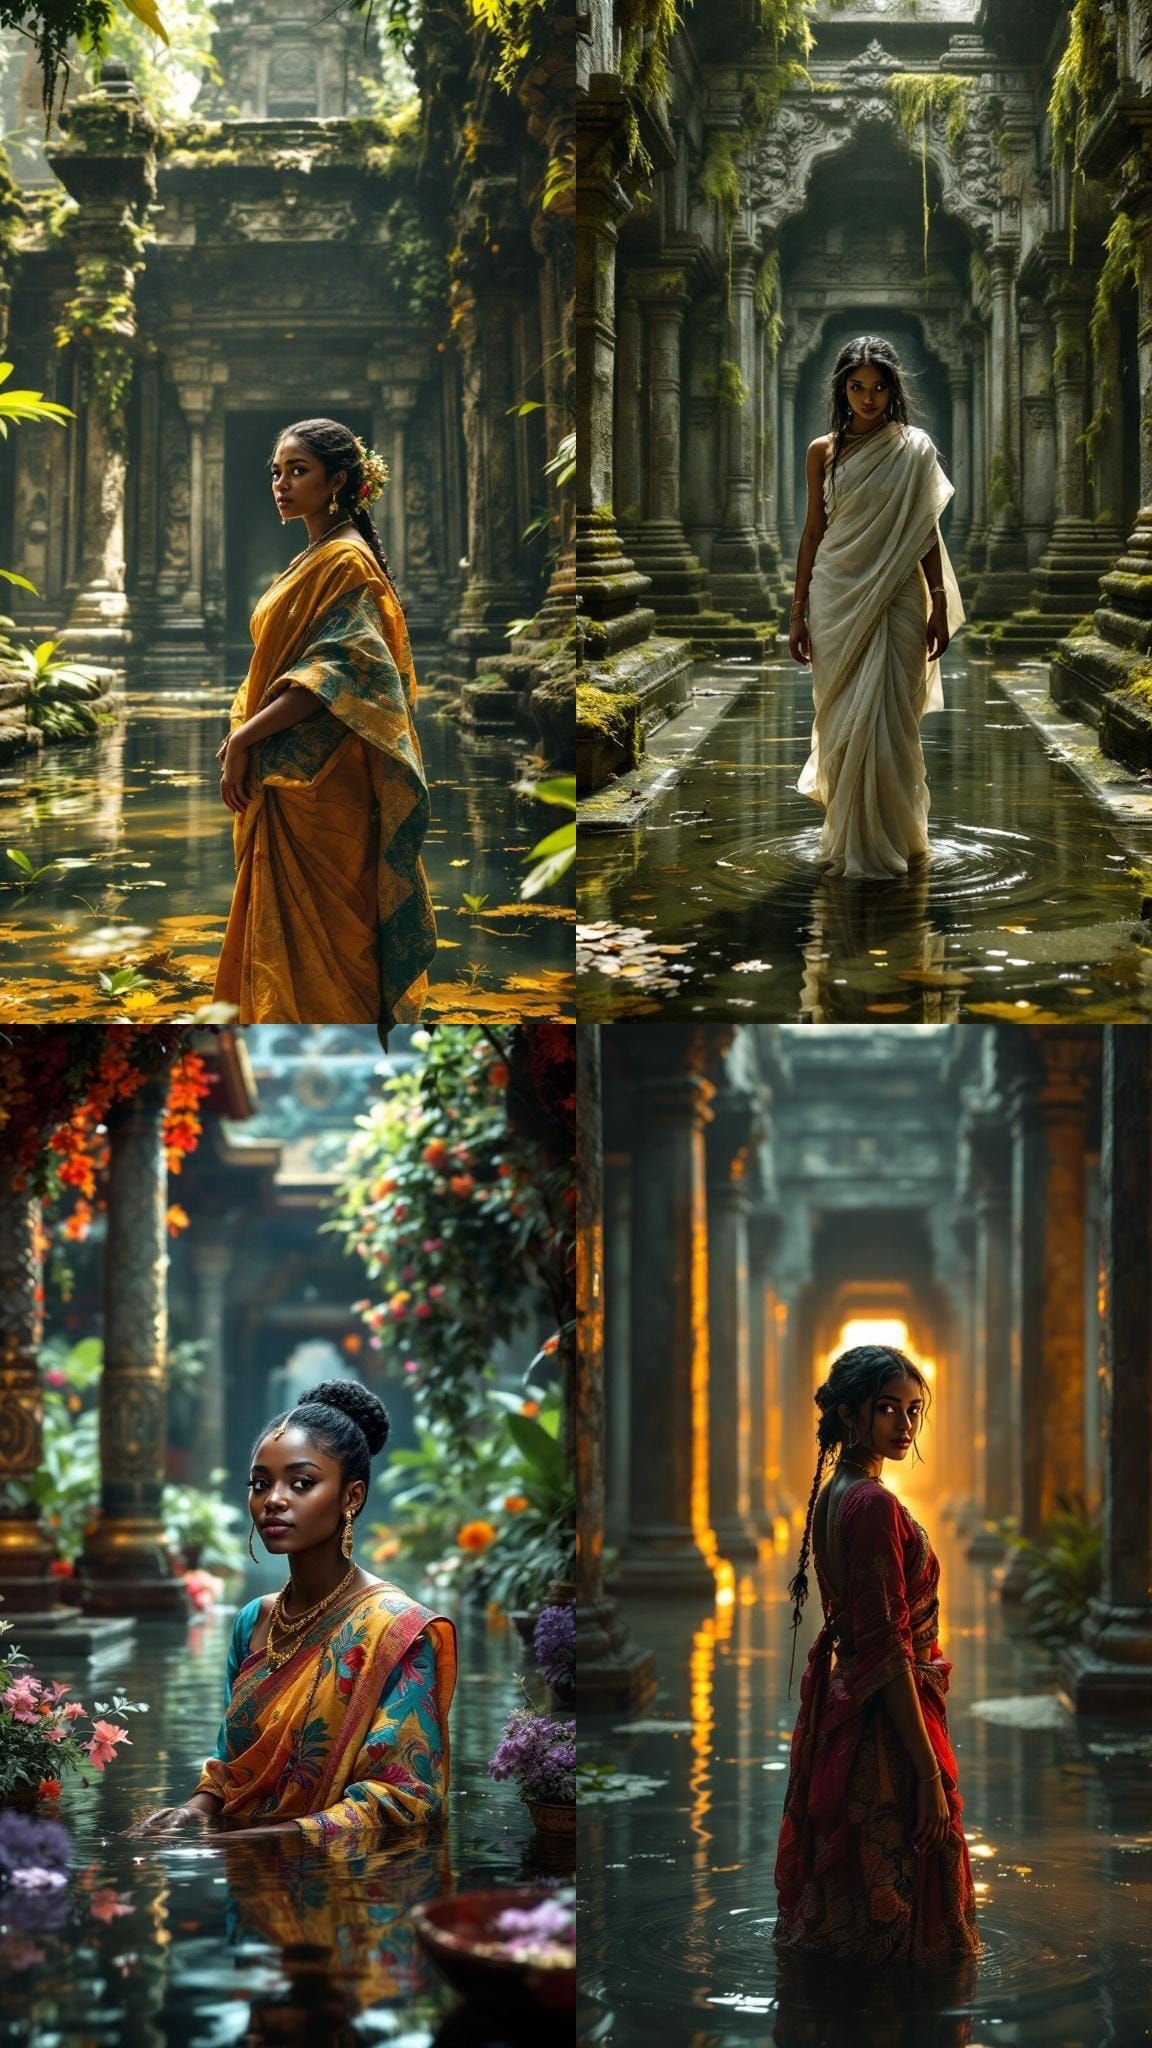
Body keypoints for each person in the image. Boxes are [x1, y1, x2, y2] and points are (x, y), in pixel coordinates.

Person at [127, 1380, 456, 1845]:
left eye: (302, 1483)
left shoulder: (397, 1630)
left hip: (349, 1889)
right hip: (248, 1891)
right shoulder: (253, 1622)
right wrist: (192, 1812)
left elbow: (403, 1800)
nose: (274, 1499)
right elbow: (231, 1766)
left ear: (352, 1497)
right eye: (261, 1484)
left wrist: (240, 1843)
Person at [212, 418, 437, 1029]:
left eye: (298, 471)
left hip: (321, 780)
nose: (281, 484)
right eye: (277, 471)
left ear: (338, 481)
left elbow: (336, 675)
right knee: (290, 933)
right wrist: (247, 736)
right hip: (289, 774)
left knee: (334, 936)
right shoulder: (318, 554)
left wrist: (244, 737)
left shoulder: (345, 561)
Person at [773, 1344, 980, 1968]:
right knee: (907, 1911)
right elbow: (888, 1648)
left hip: (857, 1711)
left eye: (913, 1410)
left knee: (859, 1906)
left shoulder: (836, 1494)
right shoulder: (872, 1504)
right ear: (846, 1414)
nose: (905, 1425)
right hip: (886, 1728)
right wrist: (924, 1775)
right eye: (887, 1409)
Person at [788, 337, 965, 880]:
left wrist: (938, 601)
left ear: (893, 388)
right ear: (842, 388)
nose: (868, 397)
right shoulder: (823, 451)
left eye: (879, 386)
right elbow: (814, 531)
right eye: (857, 386)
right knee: (843, 721)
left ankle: (897, 840)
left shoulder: (915, 448)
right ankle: (849, 837)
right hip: (837, 593)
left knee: (892, 721)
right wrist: (797, 612)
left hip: (900, 597)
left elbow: (925, 532)